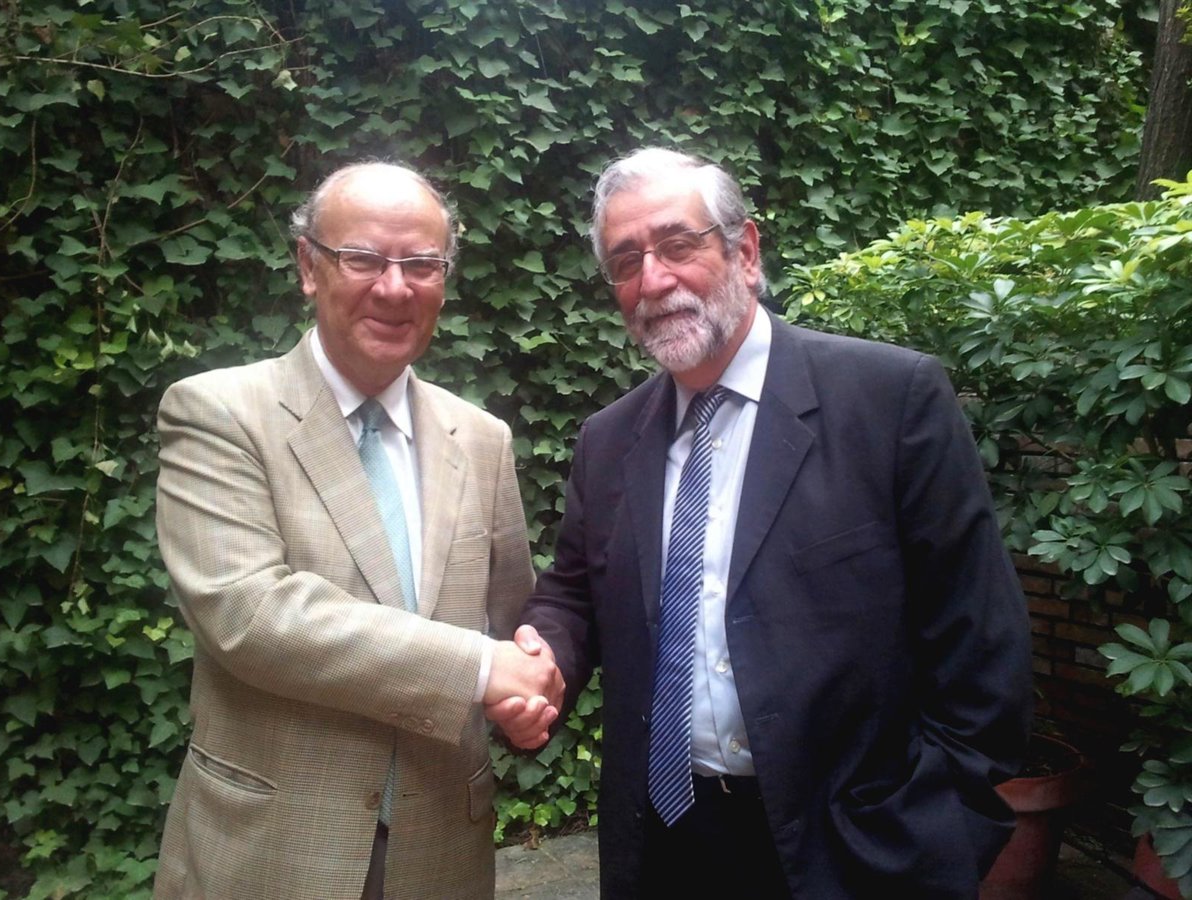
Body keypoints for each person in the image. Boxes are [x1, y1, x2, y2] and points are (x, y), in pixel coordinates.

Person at [490, 148, 1033, 898]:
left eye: (677, 244)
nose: (654, 279)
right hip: (665, 844)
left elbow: (981, 642)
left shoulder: (890, 399)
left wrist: (938, 829)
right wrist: (542, 659)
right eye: (625, 261)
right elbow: (575, 591)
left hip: (852, 848)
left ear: (744, 251)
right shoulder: (608, 439)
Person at [153, 161, 562, 900]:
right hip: (273, 852)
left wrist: (522, 701)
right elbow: (249, 614)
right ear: (309, 266)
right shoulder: (218, 414)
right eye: (364, 258)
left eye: (422, 264)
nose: (395, 288)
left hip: (443, 851)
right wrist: (481, 670)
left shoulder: (482, 439)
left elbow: (509, 621)